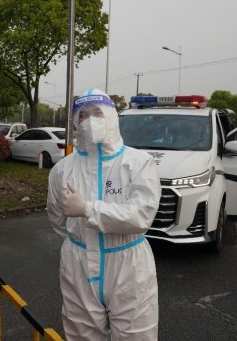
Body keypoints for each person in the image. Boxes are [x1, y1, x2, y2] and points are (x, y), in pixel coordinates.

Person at [47, 89, 161, 340]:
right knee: (81, 335)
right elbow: (56, 217)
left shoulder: (139, 162)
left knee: (136, 335)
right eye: (83, 115)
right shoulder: (62, 170)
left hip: (129, 266)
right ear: (75, 122)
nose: (90, 121)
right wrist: (79, 239)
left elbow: (142, 216)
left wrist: (88, 210)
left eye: (98, 113)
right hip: (77, 264)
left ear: (111, 117)